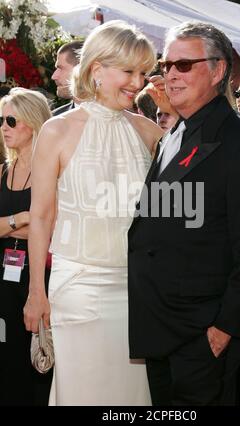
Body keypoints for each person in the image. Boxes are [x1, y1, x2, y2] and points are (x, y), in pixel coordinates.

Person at [128, 22, 240, 406]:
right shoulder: (171, 135)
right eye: (166, 65)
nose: (170, 75)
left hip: (203, 334)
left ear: (218, 70)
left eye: (184, 65)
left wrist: (224, 329)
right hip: (159, 328)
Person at [23, 20, 163, 406]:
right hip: (79, 287)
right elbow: (41, 217)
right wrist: (37, 291)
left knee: (132, 398)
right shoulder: (57, 130)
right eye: (129, 71)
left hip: (137, 292)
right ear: (97, 69)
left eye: (143, 72)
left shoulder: (149, 131)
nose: (139, 82)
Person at [0, 88, 52, 406]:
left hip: (41, 274)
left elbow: (49, 223)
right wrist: (23, 217)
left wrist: (8, 225)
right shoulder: (4, 170)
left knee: (41, 356)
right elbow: (35, 221)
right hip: (5, 272)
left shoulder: (51, 172)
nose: (3, 127)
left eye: (10, 120)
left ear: (31, 123)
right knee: (8, 356)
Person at [51, 40, 83, 116]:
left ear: (82, 70)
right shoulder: (55, 119)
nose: (54, 76)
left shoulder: (114, 116)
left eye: (61, 68)